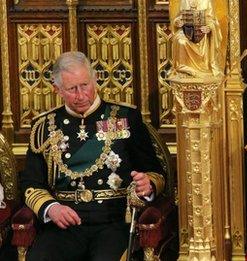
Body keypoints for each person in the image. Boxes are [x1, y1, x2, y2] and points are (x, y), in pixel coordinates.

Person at [20, 51, 165, 260]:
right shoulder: (43, 127)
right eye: (72, 89)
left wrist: (148, 184)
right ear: (57, 89)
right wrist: (51, 208)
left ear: (94, 80)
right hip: (65, 223)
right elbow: (31, 182)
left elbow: (155, 172)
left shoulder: (125, 117)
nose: (81, 95)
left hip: (113, 223)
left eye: (85, 85)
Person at [171, 0, 223, 77]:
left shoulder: (206, 1)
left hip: (201, 33)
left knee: (199, 38)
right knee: (180, 40)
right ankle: (183, 68)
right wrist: (177, 22)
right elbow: (179, 17)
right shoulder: (184, 1)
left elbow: (212, 21)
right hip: (186, 31)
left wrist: (209, 27)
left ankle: (203, 68)